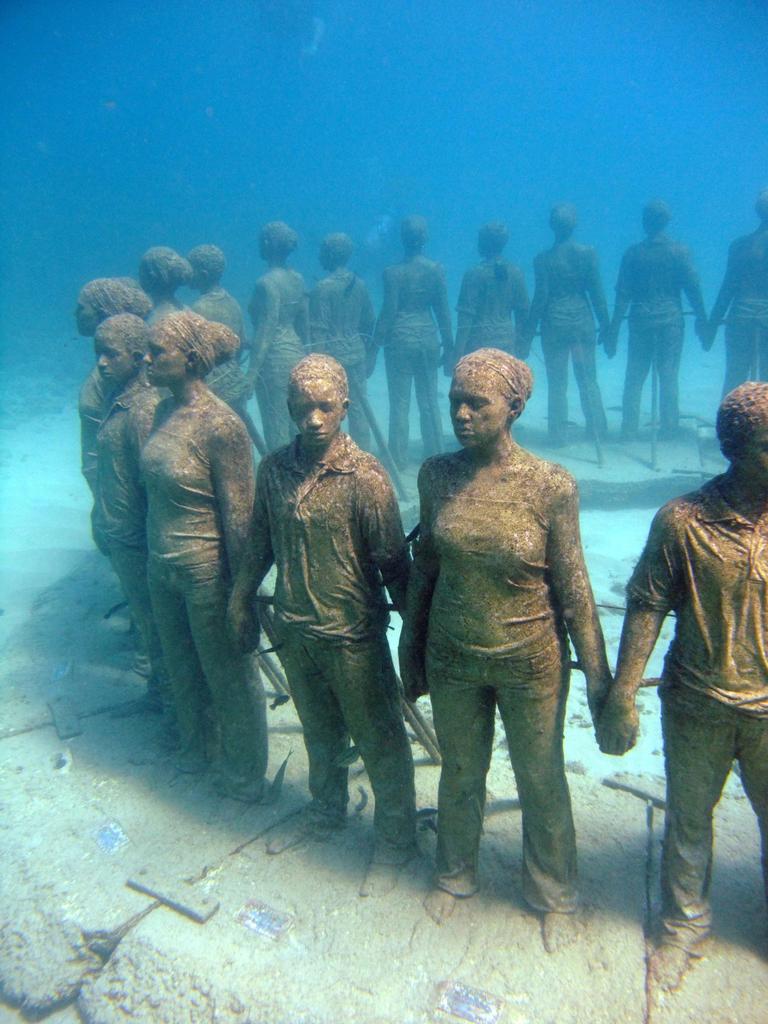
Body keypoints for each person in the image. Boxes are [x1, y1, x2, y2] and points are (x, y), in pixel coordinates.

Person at [399, 348, 612, 949]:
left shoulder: (550, 487)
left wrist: (601, 685)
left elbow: (575, 591)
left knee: (540, 776)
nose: (462, 415)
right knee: (460, 769)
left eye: (477, 403)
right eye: (454, 403)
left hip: (529, 661)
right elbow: (426, 569)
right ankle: (454, 872)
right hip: (453, 654)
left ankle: (553, 890)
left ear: (514, 407)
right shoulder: (436, 476)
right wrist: (408, 647)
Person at [597, 381, 768, 991]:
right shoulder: (684, 521)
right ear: (736, 448)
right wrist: (622, 694)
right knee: (690, 820)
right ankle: (683, 924)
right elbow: (646, 605)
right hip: (697, 702)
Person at [228, 354, 416, 889]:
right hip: (295, 628)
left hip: (352, 635)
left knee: (380, 738)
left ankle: (397, 838)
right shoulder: (274, 471)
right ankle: (326, 809)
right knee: (319, 732)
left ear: (345, 407)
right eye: (302, 407)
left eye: (325, 406)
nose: (313, 418)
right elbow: (259, 541)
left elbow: (392, 564)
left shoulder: (366, 478)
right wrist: (240, 598)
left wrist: (415, 641)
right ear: (287, 407)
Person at [142, 311, 268, 801]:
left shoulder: (222, 427)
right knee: (181, 665)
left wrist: (243, 596)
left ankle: (244, 775)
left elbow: (240, 523)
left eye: (159, 352)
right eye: (148, 350)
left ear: (191, 359)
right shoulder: (159, 413)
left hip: (204, 573)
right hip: (162, 566)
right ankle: (197, 749)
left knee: (229, 674)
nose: (148, 360)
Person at [92, 314, 167, 711]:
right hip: (121, 535)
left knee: (155, 626)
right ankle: (161, 694)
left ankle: (168, 702)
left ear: (139, 357)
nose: (101, 362)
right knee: (146, 621)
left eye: (111, 354)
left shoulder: (141, 409)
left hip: (138, 540)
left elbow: (151, 480)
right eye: (98, 353)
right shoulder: (117, 399)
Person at [604, 200, 708, 440]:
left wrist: (613, 329)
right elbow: (693, 289)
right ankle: (669, 428)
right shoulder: (679, 251)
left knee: (635, 376)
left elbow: (623, 296)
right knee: (668, 374)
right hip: (670, 321)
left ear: (645, 222)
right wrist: (703, 320)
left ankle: (629, 428)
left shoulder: (633, 253)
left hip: (641, 321)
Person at [524, 204, 608, 446]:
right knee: (587, 378)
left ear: (552, 225)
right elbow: (597, 293)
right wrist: (606, 326)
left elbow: (541, 298)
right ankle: (597, 430)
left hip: (555, 326)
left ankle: (558, 435)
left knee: (558, 382)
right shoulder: (588, 253)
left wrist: (527, 334)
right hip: (582, 323)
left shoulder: (543, 259)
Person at [374, 215, 453, 470]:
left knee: (400, 403)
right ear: (425, 238)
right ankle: (435, 452)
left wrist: (374, 346)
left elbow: (389, 312)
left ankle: (397, 458)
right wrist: (449, 345)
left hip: (400, 340)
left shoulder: (392, 273)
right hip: (428, 338)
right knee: (429, 400)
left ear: (402, 239)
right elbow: (442, 311)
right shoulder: (436, 270)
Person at [74, 277, 152, 500]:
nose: (75, 314)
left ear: (101, 312)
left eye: (81, 308)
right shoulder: (114, 372)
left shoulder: (107, 381)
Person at [308, 233, 376, 449]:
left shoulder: (323, 288)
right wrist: (368, 352)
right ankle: (362, 454)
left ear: (330, 255)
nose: (319, 257)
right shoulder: (361, 285)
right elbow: (369, 321)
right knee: (358, 410)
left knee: (329, 410)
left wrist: (316, 368)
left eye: (322, 252)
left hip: (332, 360)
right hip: (356, 353)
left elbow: (319, 330)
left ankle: (332, 453)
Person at [247, 221, 309, 451]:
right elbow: (304, 325)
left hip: (273, 360)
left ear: (268, 244)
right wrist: (307, 357)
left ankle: (282, 482)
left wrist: (251, 374)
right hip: (296, 354)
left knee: (276, 425)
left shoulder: (266, 284)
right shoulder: (298, 279)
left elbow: (266, 330)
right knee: (298, 421)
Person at [705, 188, 768, 395]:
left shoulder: (739, 246)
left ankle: (729, 425)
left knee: (735, 378)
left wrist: (712, 325)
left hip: (740, 317)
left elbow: (727, 289)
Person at [455, 221, 529, 360]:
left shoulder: (473, 274)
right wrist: (522, 345)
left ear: (485, 242)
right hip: (507, 344)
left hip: (478, 345)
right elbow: (522, 314)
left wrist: (457, 354)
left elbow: (465, 318)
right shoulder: (516, 272)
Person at [188, 244, 246, 346]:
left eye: (190, 269)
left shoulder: (198, 308)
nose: (187, 272)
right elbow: (241, 342)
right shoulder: (234, 304)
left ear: (203, 275)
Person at [138, 246, 193, 325]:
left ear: (152, 276)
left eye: (141, 269)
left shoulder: (151, 320)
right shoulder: (187, 310)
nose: (139, 274)